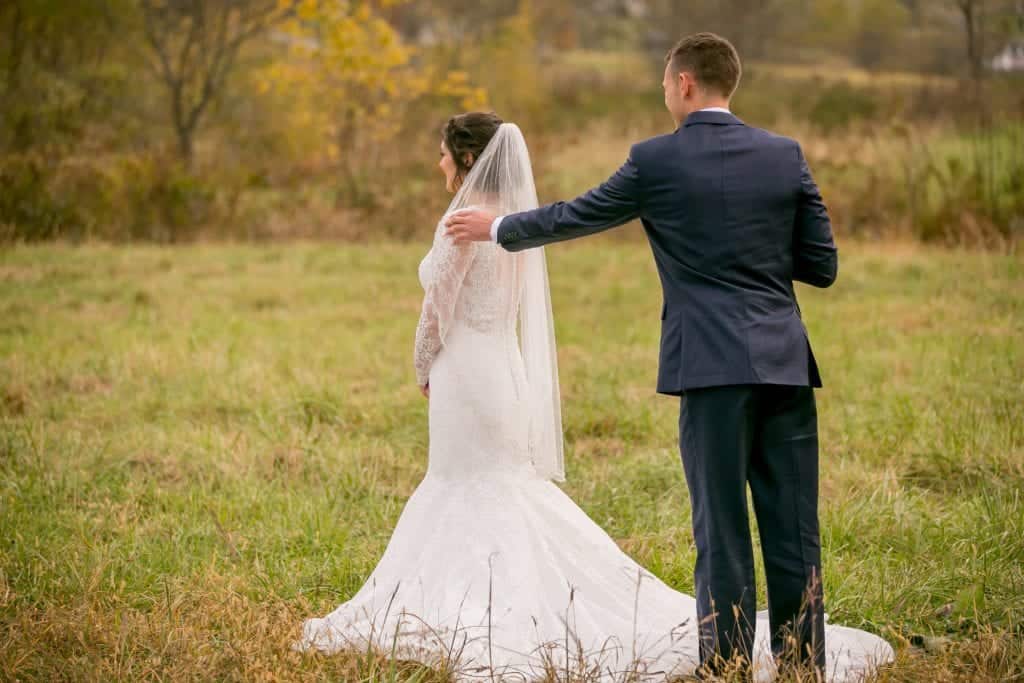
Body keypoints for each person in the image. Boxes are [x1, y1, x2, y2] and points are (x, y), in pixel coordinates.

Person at [444, 33, 891, 680]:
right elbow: (822, 267)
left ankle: (729, 665)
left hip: (709, 369)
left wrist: (501, 227)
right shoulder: (785, 154)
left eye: (663, 84)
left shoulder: (655, 162)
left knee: (722, 528)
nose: (663, 94)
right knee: (794, 528)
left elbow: (579, 215)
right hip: (784, 363)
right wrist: (757, 258)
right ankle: (801, 665)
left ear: (684, 83)